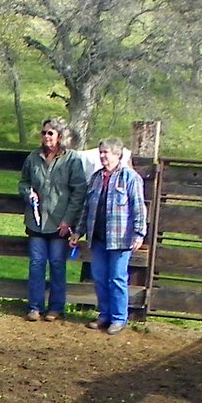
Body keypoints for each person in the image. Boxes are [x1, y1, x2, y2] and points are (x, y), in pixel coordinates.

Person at [74, 137, 147, 334]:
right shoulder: (96, 177)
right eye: (101, 152)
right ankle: (104, 315)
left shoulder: (130, 178)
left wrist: (139, 233)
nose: (102, 156)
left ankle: (118, 318)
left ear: (117, 154)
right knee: (99, 278)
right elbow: (86, 208)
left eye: (106, 152)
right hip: (98, 238)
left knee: (117, 278)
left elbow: (139, 208)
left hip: (120, 239)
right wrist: (78, 232)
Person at [18, 117, 88, 321]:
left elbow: (79, 192)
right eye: (44, 133)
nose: (46, 136)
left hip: (60, 223)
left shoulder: (72, 159)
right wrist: (28, 193)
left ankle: (56, 307)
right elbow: (23, 182)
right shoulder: (33, 157)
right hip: (36, 221)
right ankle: (35, 306)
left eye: (50, 133)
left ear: (60, 136)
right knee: (36, 264)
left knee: (57, 264)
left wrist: (68, 220)